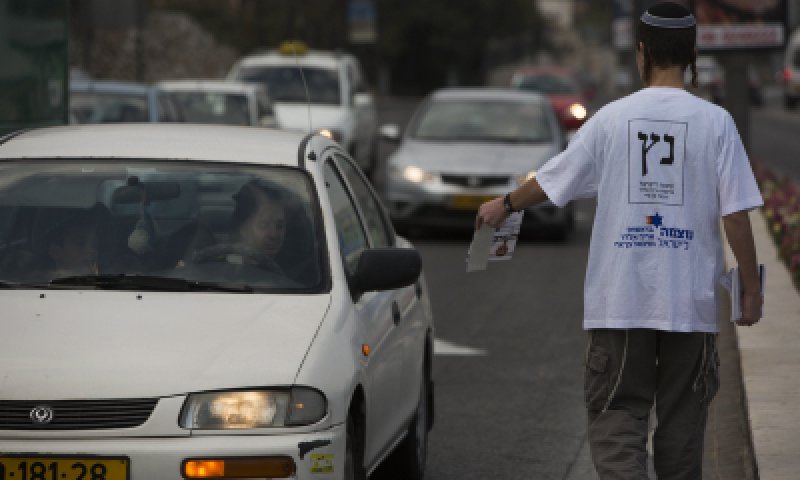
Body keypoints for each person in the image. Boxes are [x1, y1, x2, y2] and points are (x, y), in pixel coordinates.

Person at [476, 2, 763, 479]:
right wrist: (750, 291)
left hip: (620, 303)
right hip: (688, 307)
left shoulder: (611, 120)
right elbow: (736, 215)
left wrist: (503, 205)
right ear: (692, 53)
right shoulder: (716, 123)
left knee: (616, 420)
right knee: (682, 428)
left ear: (641, 52)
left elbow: (552, 181)